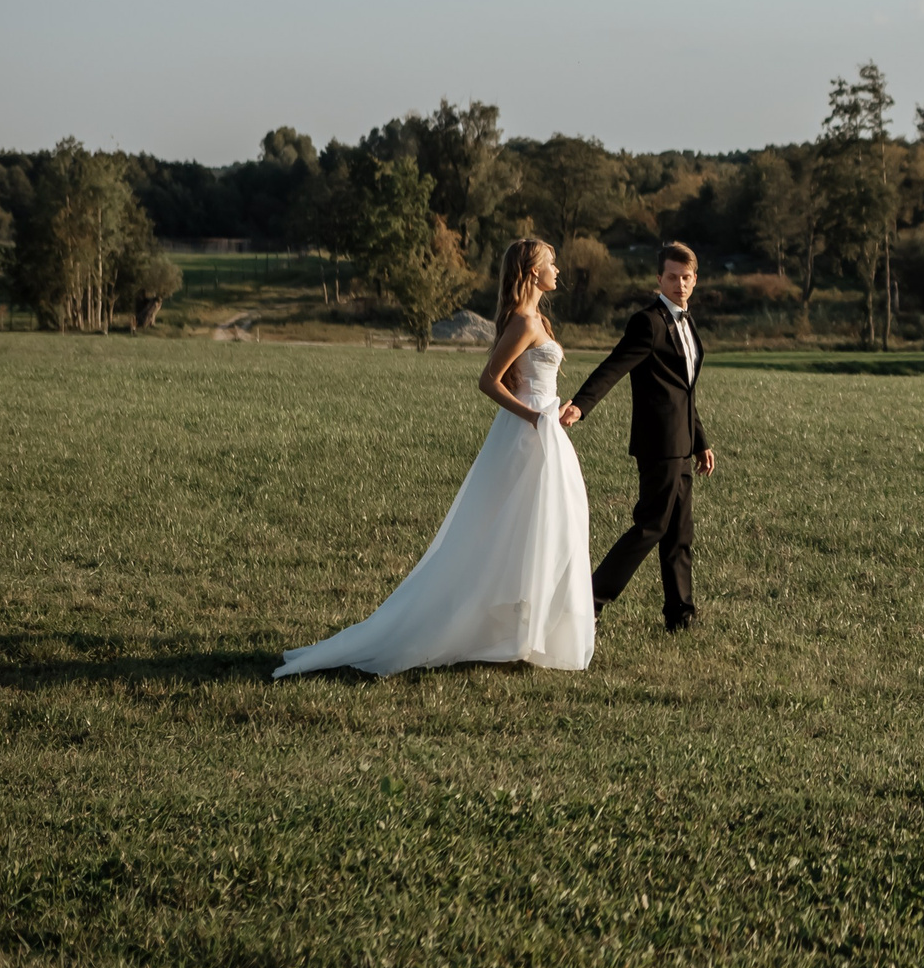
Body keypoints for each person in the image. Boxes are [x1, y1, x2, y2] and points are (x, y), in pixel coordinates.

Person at [273, 238, 594, 677]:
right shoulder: (522, 321)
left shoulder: (539, 319)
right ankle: (494, 630)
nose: (558, 269)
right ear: (533, 272)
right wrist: (535, 418)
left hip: (546, 428)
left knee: (542, 528)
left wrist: (556, 411)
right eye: (551, 263)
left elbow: (535, 381)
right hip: (528, 435)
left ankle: (523, 633)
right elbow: (489, 381)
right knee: (516, 528)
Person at [566, 241, 715, 632]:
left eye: (686, 277)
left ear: (695, 280)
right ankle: (589, 599)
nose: (679, 284)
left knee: (679, 534)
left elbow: (685, 390)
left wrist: (700, 440)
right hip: (658, 444)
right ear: (659, 279)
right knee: (651, 526)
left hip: (683, 443)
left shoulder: (688, 322)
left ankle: (680, 616)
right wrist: (581, 405)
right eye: (672, 277)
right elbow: (614, 366)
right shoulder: (647, 322)